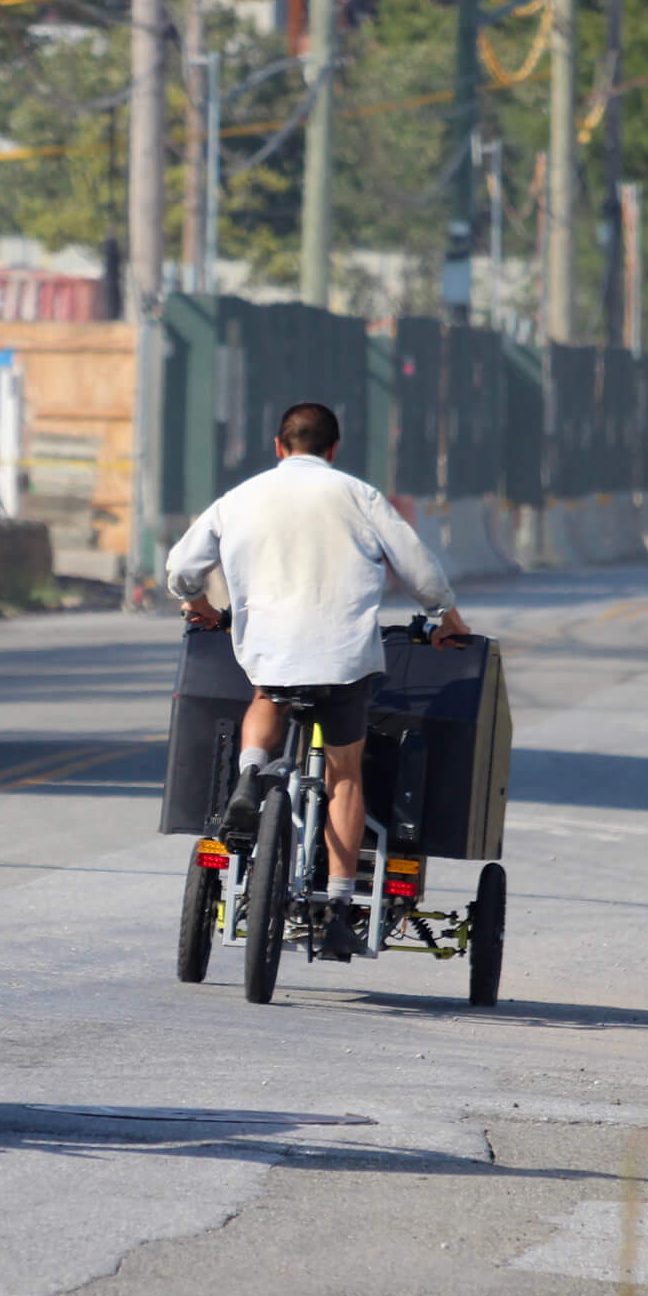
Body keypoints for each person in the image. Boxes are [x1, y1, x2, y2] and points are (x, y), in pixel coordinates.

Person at [165, 401, 468, 960]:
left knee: (265, 695)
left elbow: (182, 566)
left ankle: (249, 780)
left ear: (279, 446)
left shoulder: (240, 498)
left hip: (271, 651)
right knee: (345, 775)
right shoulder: (359, 495)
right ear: (333, 450)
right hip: (342, 657)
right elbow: (418, 568)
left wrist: (199, 604)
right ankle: (334, 906)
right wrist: (445, 615)